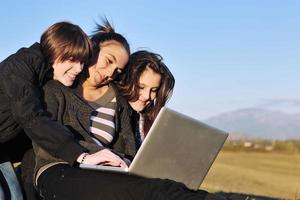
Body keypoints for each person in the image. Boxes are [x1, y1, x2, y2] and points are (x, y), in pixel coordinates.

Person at [32, 46, 225, 200]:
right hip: (61, 170)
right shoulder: (61, 90)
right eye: (141, 87)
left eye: (154, 91)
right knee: (157, 191)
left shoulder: (124, 112)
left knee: (157, 187)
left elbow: (126, 157)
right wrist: (93, 155)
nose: (147, 96)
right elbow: (46, 135)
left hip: (102, 174)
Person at [0, 21, 92, 199]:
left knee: (15, 196)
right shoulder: (21, 66)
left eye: (83, 62)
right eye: (72, 59)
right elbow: (30, 116)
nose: (79, 68)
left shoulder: (48, 79)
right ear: (54, 51)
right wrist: (77, 154)